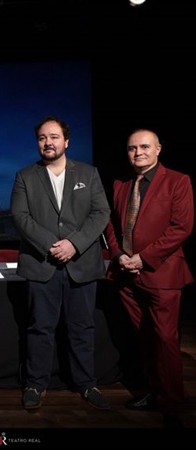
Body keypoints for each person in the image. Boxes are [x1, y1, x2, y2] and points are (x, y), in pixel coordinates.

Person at [10, 116, 111, 410]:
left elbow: (100, 213)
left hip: (81, 264)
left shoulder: (89, 173)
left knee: (82, 327)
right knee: (39, 328)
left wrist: (74, 244)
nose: (48, 142)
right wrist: (53, 246)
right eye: (42, 137)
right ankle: (35, 385)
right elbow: (20, 217)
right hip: (41, 264)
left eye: (53, 137)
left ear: (66, 141)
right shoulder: (24, 176)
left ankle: (87, 384)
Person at [104, 129, 194, 425]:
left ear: (158, 149)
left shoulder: (178, 181)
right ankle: (154, 391)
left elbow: (181, 228)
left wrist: (143, 258)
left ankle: (172, 400)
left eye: (144, 146)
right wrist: (119, 256)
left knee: (165, 338)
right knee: (143, 338)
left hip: (161, 274)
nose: (138, 152)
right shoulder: (120, 184)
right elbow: (112, 227)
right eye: (132, 148)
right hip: (126, 274)